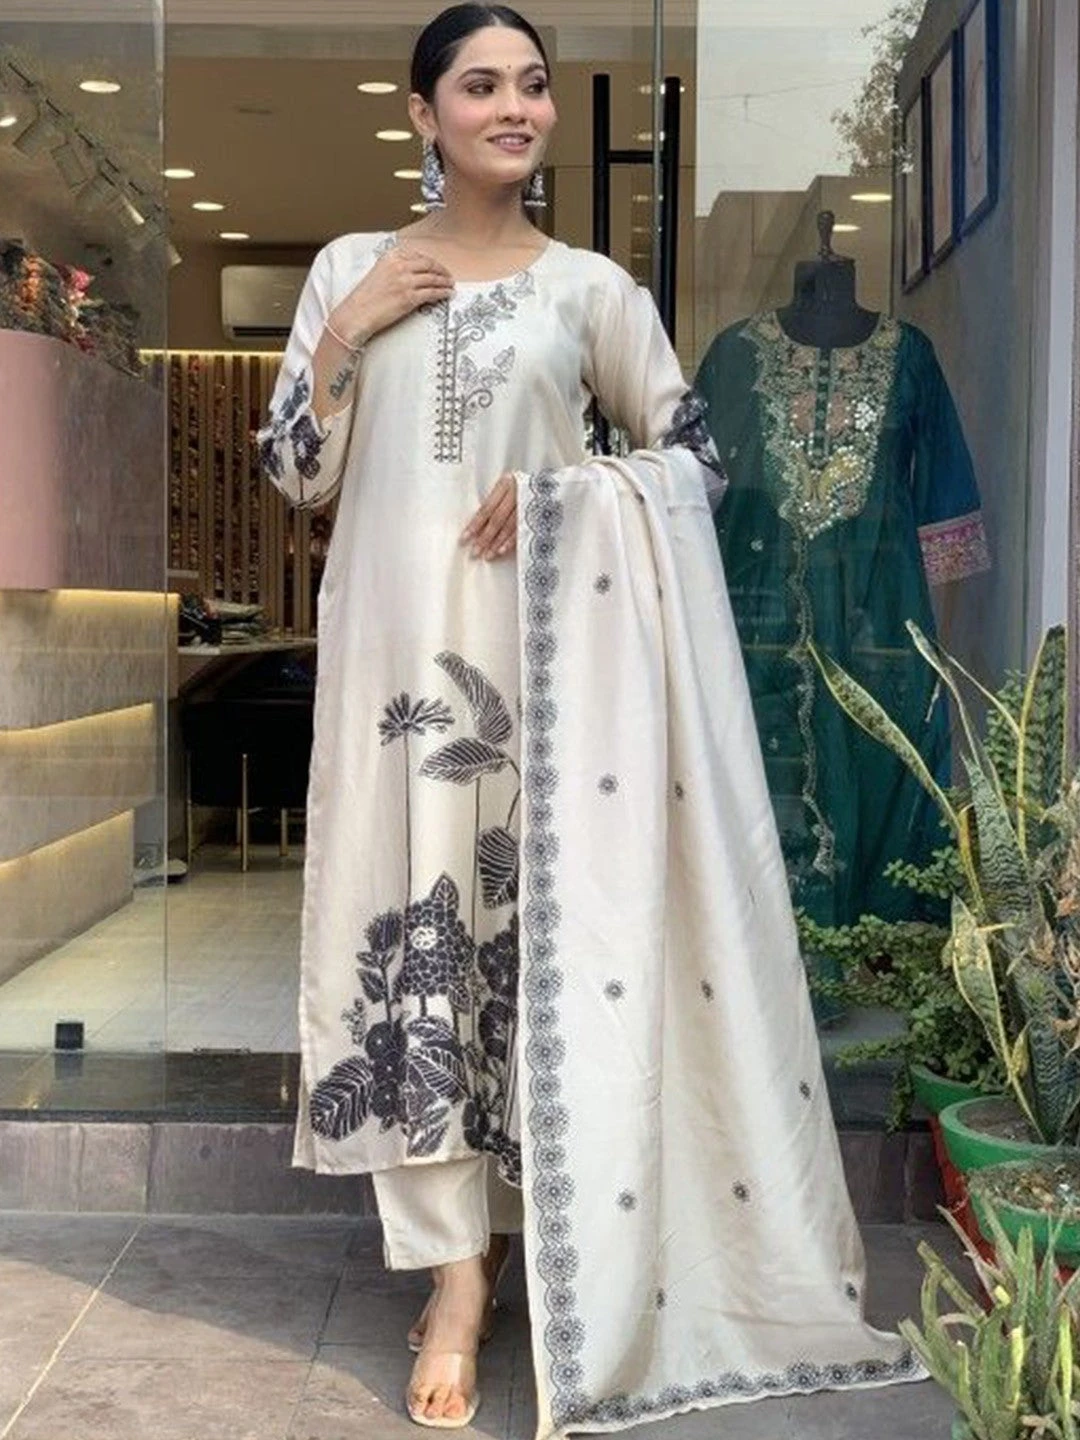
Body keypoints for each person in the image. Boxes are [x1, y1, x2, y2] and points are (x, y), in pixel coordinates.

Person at [258, 5, 924, 1434]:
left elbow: (699, 459)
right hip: (393, 683)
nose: (515, 107)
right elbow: (297, 474)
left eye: (534, 85)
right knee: (410, 954)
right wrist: (350, 334)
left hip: (552, 690)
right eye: (480, 86)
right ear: (424, 114)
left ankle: (542, 1237)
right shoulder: (347, 270)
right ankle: (454, 1280)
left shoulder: (591, 291)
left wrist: (578, 492)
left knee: (532, 951)